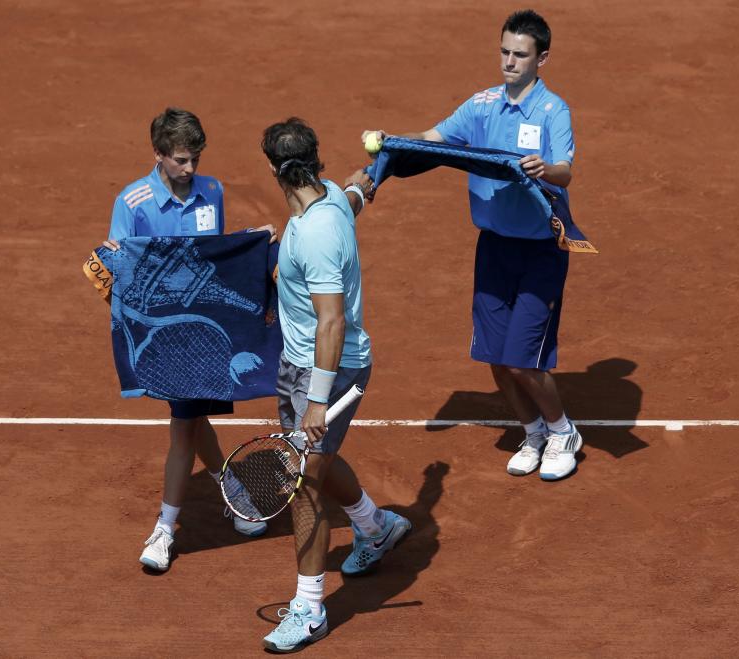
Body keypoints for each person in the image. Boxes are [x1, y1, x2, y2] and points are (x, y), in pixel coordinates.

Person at [362, 9, 583, 481]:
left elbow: (565, 169)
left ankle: (563, 431)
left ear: (541, 58)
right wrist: (391, 143)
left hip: (540, 250)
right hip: (494, 249)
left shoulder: (553, 111)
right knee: (495, 357)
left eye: (520, 55)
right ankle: (534, 432)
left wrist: (545, 168)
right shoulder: (481, 106)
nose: (508, 62)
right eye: (504, 51)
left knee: (523, 359)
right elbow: (433, 139)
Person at [259, 118, 411, 653]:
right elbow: (351, 197)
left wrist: (318, 400)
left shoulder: (318, 232)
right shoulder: (327, 205)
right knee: (319, 464)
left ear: (275, 170)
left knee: (303, 485)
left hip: (328, 372)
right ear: (314, 161)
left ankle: (308, 609)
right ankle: (375, 526)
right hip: (300, 365)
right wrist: (362, 185)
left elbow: (332, 321)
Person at [103, 107, 277, 572]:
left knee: (191, 418)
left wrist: (251, 241)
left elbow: (212, 257)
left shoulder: (212, 191)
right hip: (161, 336)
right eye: (181, 160)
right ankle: (166, 528)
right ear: (158, 154)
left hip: (201, 333)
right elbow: (118, 268)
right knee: (186, 424)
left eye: (195, 159)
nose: (191, 169)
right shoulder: (133, 203)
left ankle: (227, 487)